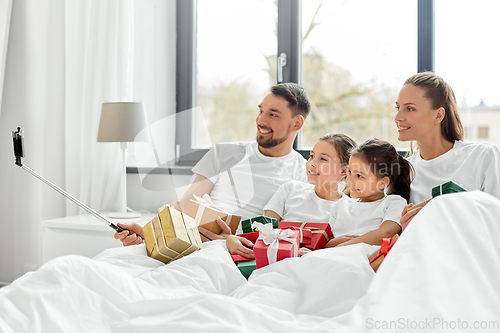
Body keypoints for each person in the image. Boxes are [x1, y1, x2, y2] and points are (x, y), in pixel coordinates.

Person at [115, 82, 311, 245]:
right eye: (261, 111)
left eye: (273, 114)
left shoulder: (303, 173)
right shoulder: (226, 152)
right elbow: (185, 204)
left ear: (297, 124)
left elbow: (288, 234)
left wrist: (229, 241)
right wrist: (147, 234)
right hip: (197, 241)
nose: (260, 120)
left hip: (245, 251)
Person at [395, 72, 500, 231]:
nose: (397, 117)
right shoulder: (404, 171)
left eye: (410, 108)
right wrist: (405, 230)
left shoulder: (483, 157)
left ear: (438, 115)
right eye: (398, 107)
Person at [226, 133, 357, 259]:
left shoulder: (347, 208)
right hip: (275, 258)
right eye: (311, 156)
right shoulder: (291, 189)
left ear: (344, 170)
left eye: (323, 159)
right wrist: (231, 239)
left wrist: (312, 254)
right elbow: (263, 232)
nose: (311, 163)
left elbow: (339, 250)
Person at [321, 138, 413, 249]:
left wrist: (342, 246)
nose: (350, 180)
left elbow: (387, 233)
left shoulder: (393, 202)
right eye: (350, 172)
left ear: (382, 182)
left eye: (359, 176)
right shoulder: (342, 204)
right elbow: (325, 242)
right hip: (333, 257)